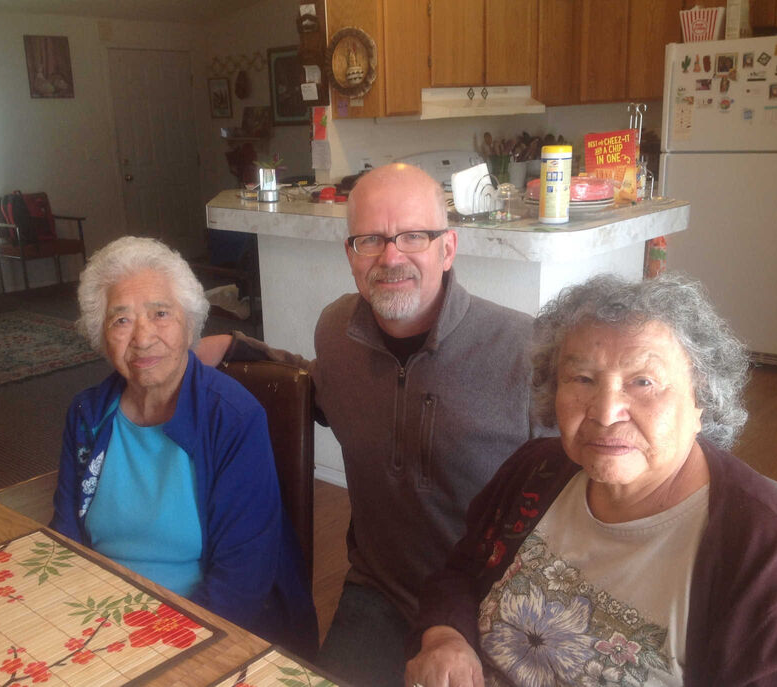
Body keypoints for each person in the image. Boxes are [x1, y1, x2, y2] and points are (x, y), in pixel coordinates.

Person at [197, 163, 540, 686]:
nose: (391, 256)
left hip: (490, 603)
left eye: (413, 236)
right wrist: (246, 351)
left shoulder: (524, 351)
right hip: (379, 588)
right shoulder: (337, 329)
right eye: (370, 240)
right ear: (350, 255)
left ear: (447, 249)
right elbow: (324, 389)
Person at [406, 273, 777, 687]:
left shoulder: (764, 557)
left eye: (643, 382)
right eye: (582, 379)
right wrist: (445, 637)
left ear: (703, 401)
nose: (605, 413)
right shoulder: (536, 470)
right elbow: (461, 572)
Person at [50, 236, 317, 657]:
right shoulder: (86, 413)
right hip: (98, 622)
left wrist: (169, 650)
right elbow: (64, 538)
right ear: (101, 336)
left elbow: (243, 578)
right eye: (121, 320)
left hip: (206, 630)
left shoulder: (232, 418)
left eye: (161, 314)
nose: (142, 337)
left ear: (190, 325)